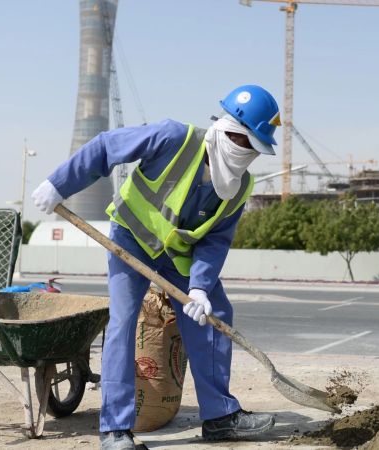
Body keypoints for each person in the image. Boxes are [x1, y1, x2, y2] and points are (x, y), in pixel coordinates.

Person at [31, 85, 282, 449]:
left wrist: (199, 287)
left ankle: (220, 417)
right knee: (122, 322)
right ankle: (115, 428)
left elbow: (215, 241)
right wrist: (59, 184)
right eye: (247, 145)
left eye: (256, 151)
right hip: (130, 240)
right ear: (229, 132)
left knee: (214, 315)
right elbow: (105, 147)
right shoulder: (173, 138)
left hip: (178, 256)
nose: (249, 157)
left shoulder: (239, 187)